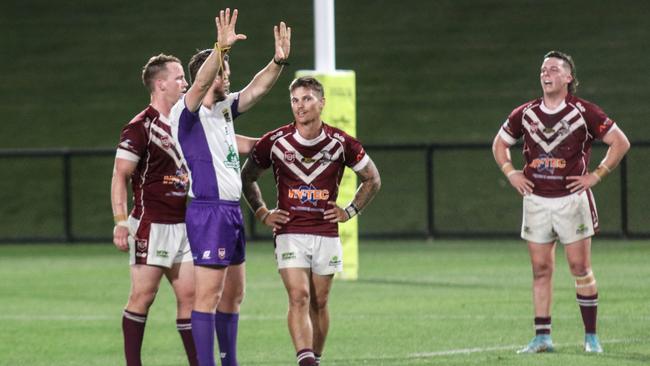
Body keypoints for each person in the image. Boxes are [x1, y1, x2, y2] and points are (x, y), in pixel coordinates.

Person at [169, 8, 291, 366]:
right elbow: (200, 85)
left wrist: (278, 62)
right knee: (207, 296)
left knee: (234, 295)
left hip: (229, 211)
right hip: (207, 210)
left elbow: (256, 90)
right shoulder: (186, 111)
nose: (228, 76)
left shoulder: (222, 111)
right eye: (224, 71)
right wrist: (219, 51)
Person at [492, 50, 630, 354]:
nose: (546, 74)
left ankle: (591, 336)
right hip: (536, 200)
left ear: (568, 77)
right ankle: (542, 337)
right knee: (540, 269)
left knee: (580, 267)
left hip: (572, 200)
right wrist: (510, 172)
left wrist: (597, 175)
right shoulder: (526, 112)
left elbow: (620, 142)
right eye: (543, 69)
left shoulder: (584, 111)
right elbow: (500, 143)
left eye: (554, 69)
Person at [241, 76, 381, 366]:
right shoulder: (275, 141)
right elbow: (247, 177)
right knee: (299, 297)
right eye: (295, 100)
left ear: (322, 102)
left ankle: (315, 357)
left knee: (320, 302)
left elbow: (372, 179)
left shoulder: (342, 143)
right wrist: (262, 212)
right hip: (290, 231)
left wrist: (350, 210)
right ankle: (305, 361)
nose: (300, 106)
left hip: (326, 232)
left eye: (307, 99)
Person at [110, 53, 198, 365]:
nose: (185, 83)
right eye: (178, 78)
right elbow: (120, 175)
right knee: (143, 297)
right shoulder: (140, 127)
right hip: (151, 224)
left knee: (191, 299)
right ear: (160, 84)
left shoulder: (185, 122)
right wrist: (121, 222)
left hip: (184, 225)